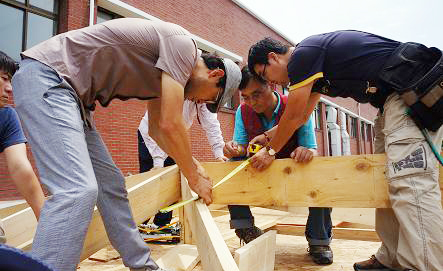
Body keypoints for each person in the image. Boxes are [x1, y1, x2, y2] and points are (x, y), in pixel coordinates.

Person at [11, 18, 241, 271]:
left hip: (73, 100)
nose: (200, 103)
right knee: (77, 190)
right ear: (215, 74)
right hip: (49, 78)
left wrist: (194, 166)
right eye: (209, 100)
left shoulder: (166, 73)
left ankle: (143, 266)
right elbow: (170, 124)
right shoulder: (183, 45)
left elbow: (156, 129)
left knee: (111, 186)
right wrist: (193, 177)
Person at [247, 33, 443, 271]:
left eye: (264, 74)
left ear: (273, 58)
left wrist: (270, 151)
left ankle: (428, 265)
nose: (272, 83)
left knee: (410, 183)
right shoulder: (312, 67)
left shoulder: (302, 56)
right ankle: (392, 258)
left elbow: (295, 115)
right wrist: (268, 137)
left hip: (410, 95)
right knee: (384, 182)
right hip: (392, 102)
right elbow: (304, 115)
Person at [223, 66, 333, 264]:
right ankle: (245, 227)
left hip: (293, 170)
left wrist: (306, 151)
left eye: (256, 94)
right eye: (245, 97)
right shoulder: (243, 110)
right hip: (261, 172)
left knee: (319, 171)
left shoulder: (294, 105)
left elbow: (311, 148)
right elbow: (241, 147)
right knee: (232, 165)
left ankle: (319, 240)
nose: (252, 102)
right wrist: (234, 149)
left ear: (271, 84)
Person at [138, 99, 227, 227]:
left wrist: (219, 153)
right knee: (150, 181)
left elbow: (211, 122)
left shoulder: (207, 96)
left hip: (173, 138)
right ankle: (140, 224)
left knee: (173, 180)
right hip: (150, 138)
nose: (204, 102)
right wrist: (158, 162)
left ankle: (161, 225)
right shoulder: (177, 85)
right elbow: (161, 127)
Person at [0, 51, 45, 244]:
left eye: (11, 81)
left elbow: (21, 169)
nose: (10, 88)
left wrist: (48, 226)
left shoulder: (7, 117)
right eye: (4, 79)